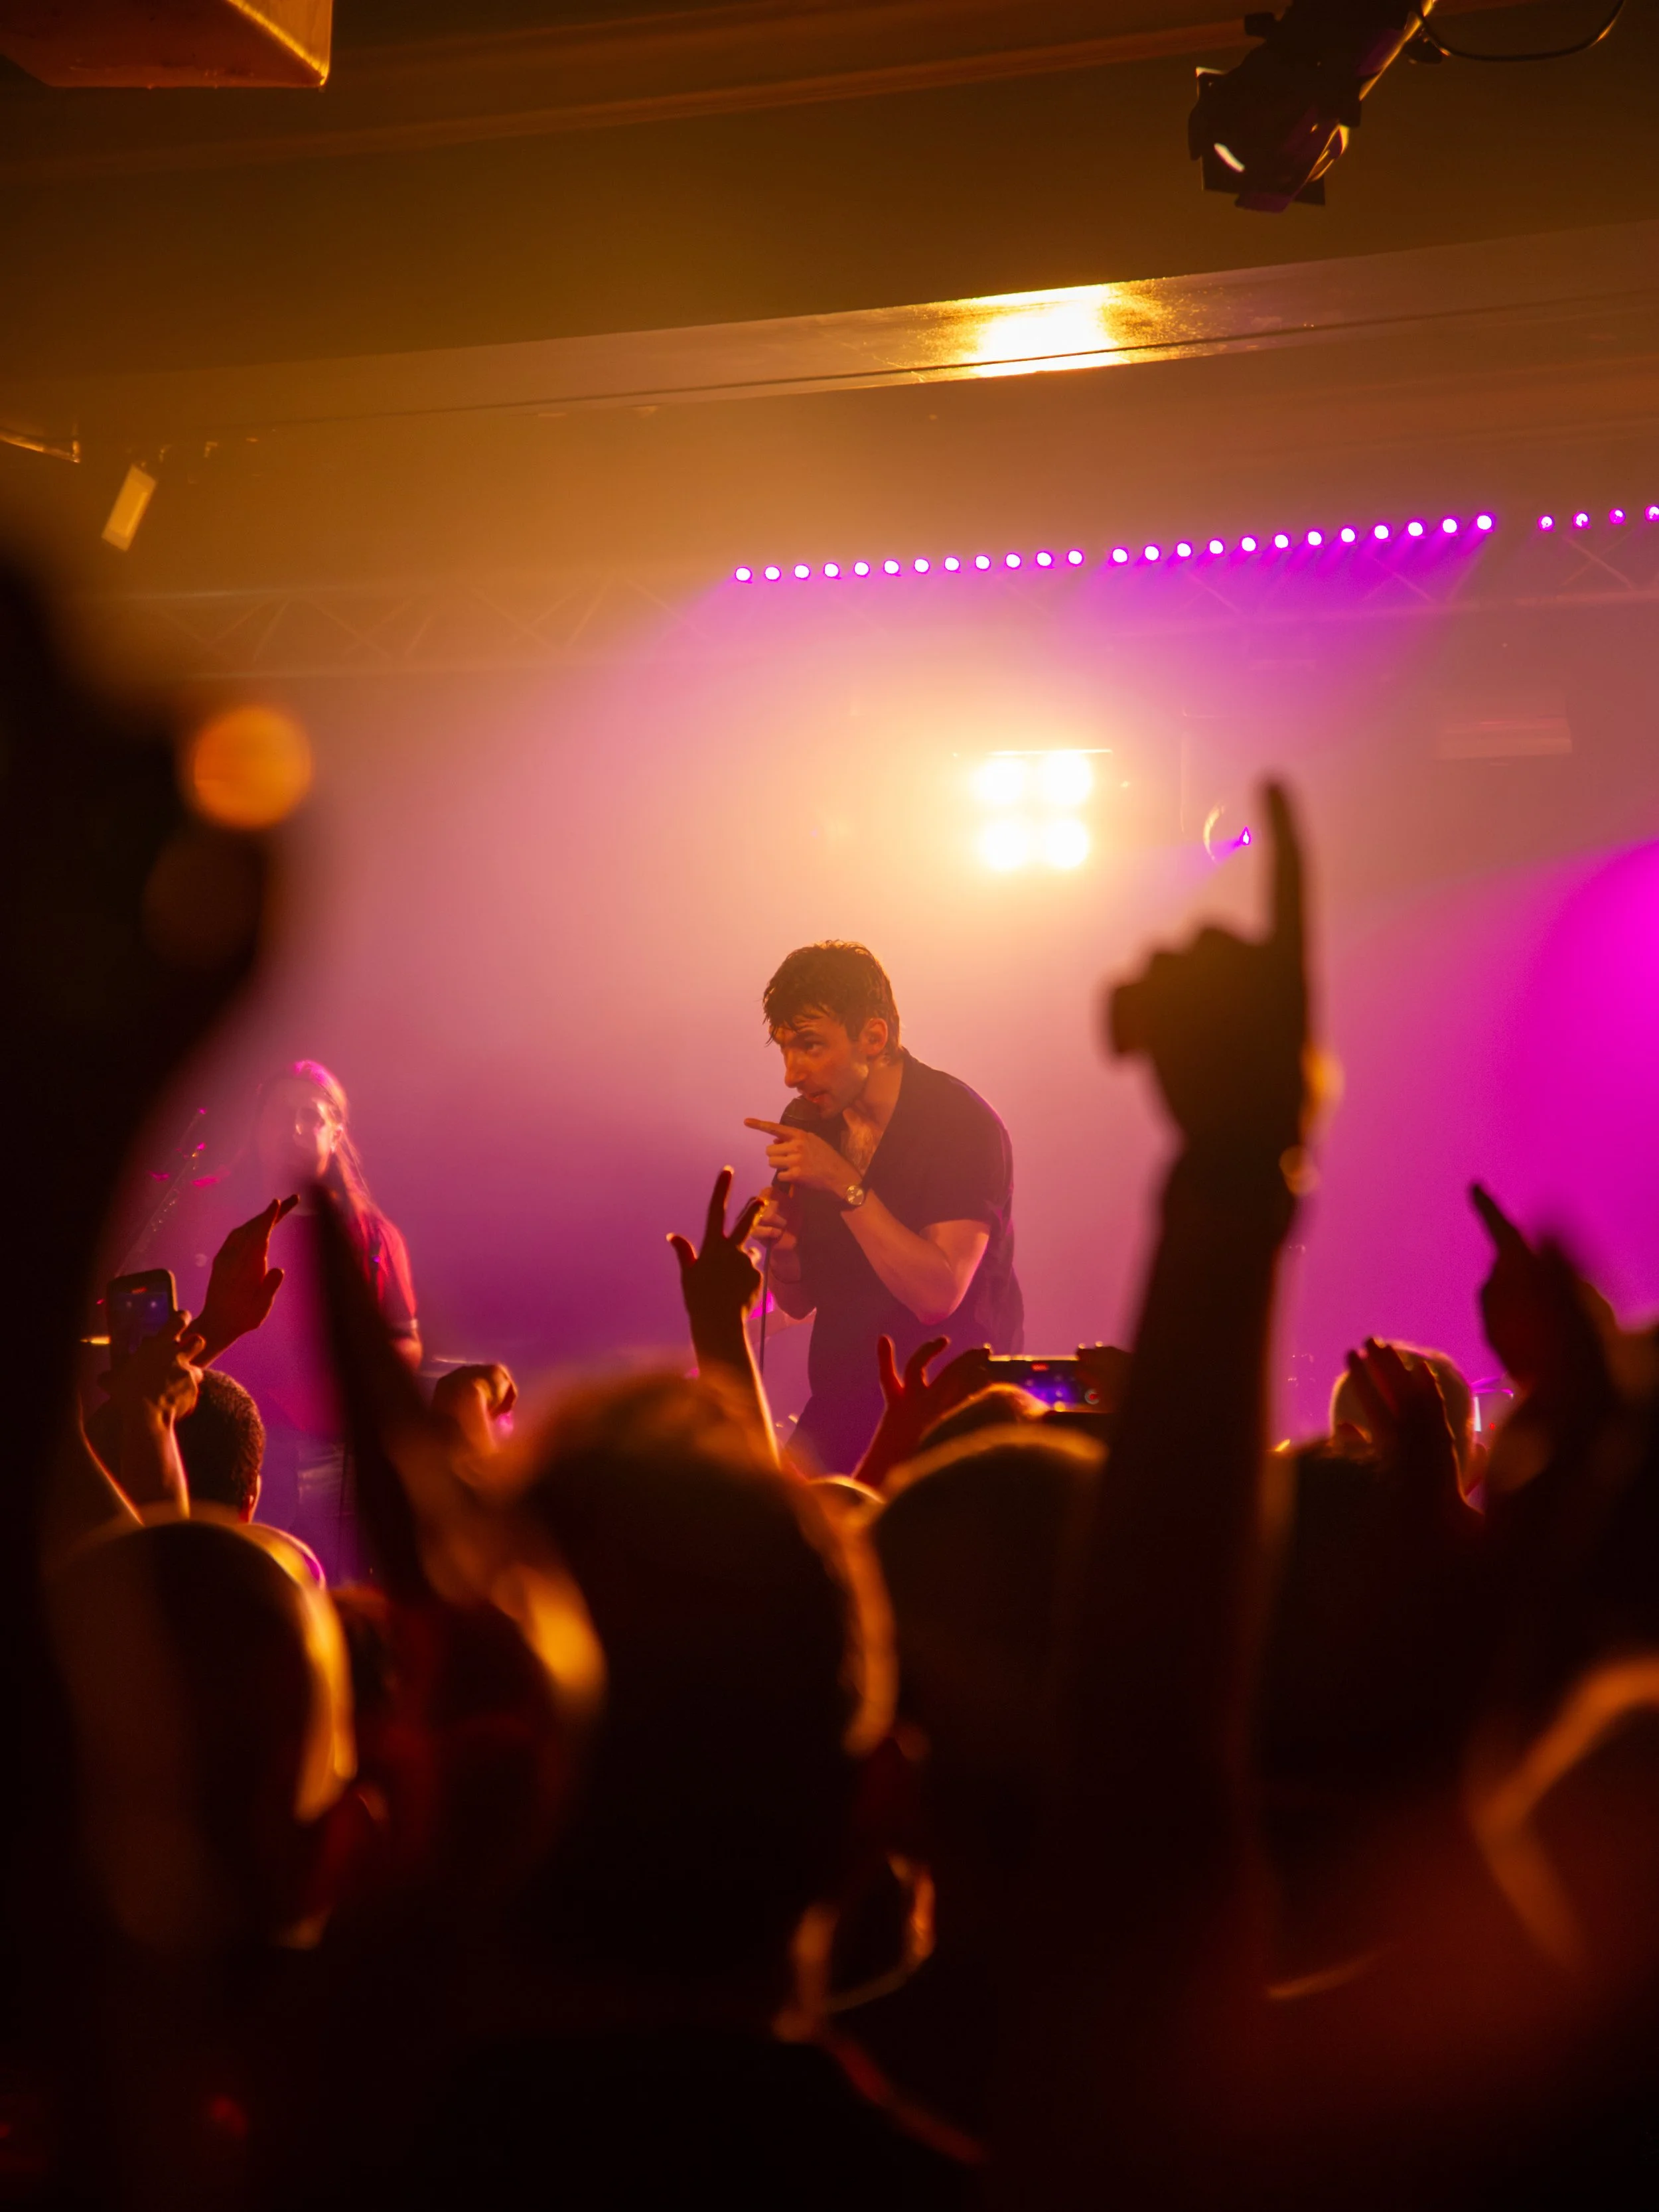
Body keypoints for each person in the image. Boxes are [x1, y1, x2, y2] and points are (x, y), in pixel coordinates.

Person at [746, 942, 1023, 1475]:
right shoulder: (810, 1119)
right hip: (842, 1402)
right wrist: (784, 1249)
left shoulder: (960, 1125)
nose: (791, 1073)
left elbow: (937, 1294)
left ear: (874, 1037)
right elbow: (799, 1301)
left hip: (948, 1416)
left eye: (809, 1045)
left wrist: (845, 1184)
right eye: (784, 1048)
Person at [180, 1061, 420, 1580]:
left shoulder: (371, 1234)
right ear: (257, 1126)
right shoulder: (207, 1213)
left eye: (310, 1117)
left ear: (335, 1133)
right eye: (279, 1114)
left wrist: (365, 1377)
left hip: (335, 1455)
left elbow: (404, 1337)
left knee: (338, 1592)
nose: (292, 1129)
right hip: (231, 1443)